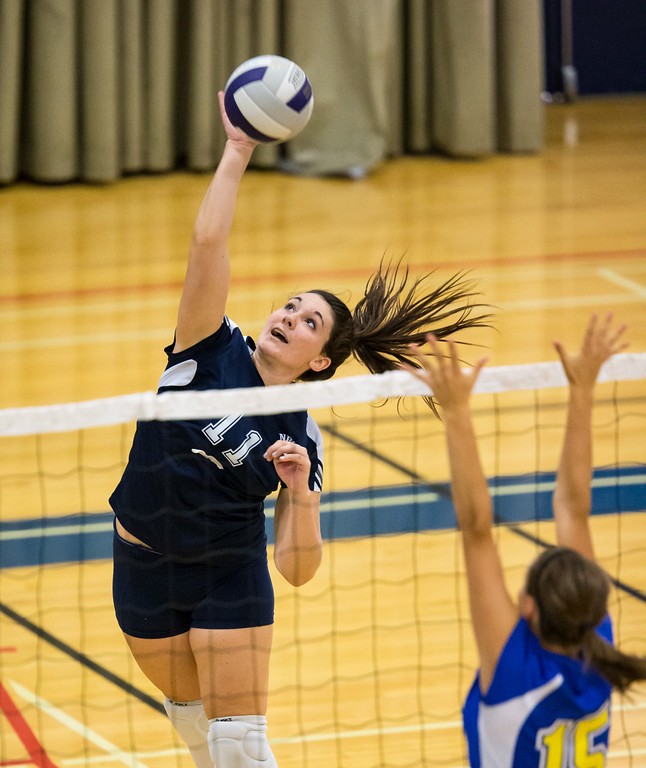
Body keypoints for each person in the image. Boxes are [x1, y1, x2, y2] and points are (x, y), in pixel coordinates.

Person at [108, 89, 492, 768]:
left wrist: (302, 494)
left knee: (238, 744)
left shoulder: (299, 435)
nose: (289, 316)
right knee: (197, 731)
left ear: (319, 361)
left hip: (229, 572)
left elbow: (296, 569)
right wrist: (237, 151)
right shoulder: (207, 346)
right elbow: (208, 242)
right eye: (291, 305)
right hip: (142, 563)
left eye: (309, 321)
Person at [405, 313, 646, 767]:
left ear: (528, 607)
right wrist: (583, 390)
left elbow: (485, 529)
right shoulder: (597, 648)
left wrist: (456, 411)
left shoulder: (519, 664)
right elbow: (566, 510)